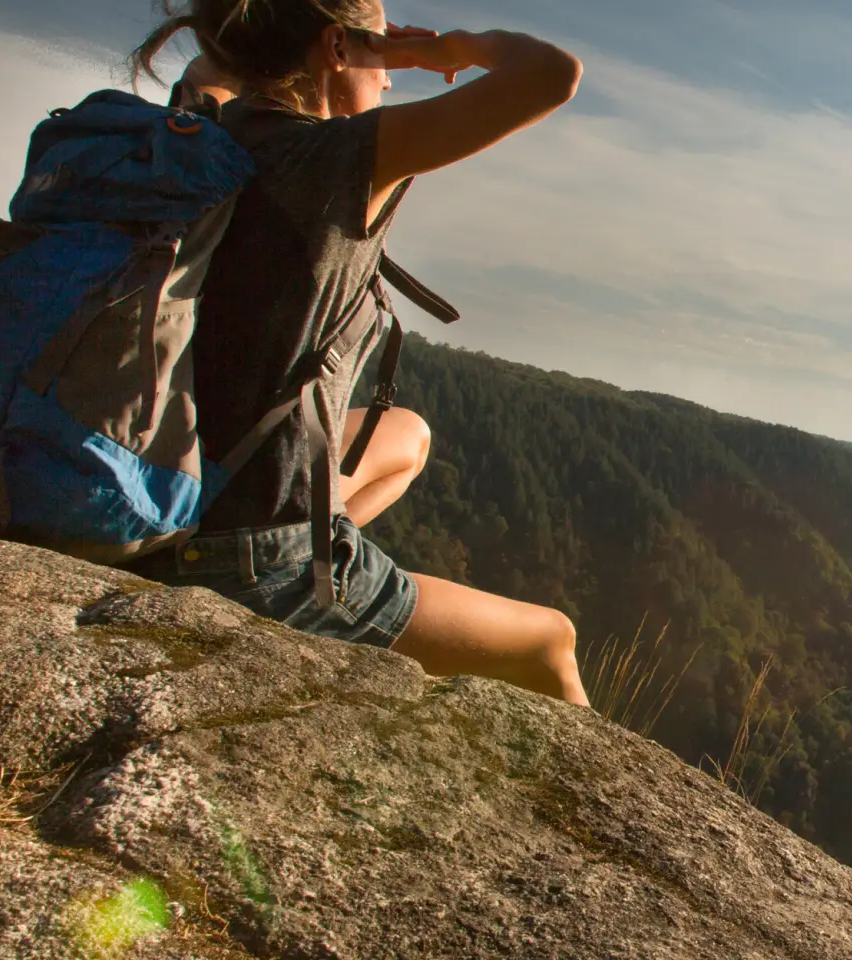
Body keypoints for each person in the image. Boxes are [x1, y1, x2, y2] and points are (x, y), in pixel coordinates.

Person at [124, 0, 589, 706]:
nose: (392, 79)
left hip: (152, 477)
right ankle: (303, 593)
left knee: (407, 435)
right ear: (337, 47)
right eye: (378, 53)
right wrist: (436, 50)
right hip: (232, 551)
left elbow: (214, 64)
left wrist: (354, 49)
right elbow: (552, 75)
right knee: (550, 640)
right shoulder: (333, 158)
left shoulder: (196, 129)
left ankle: (311, 558)